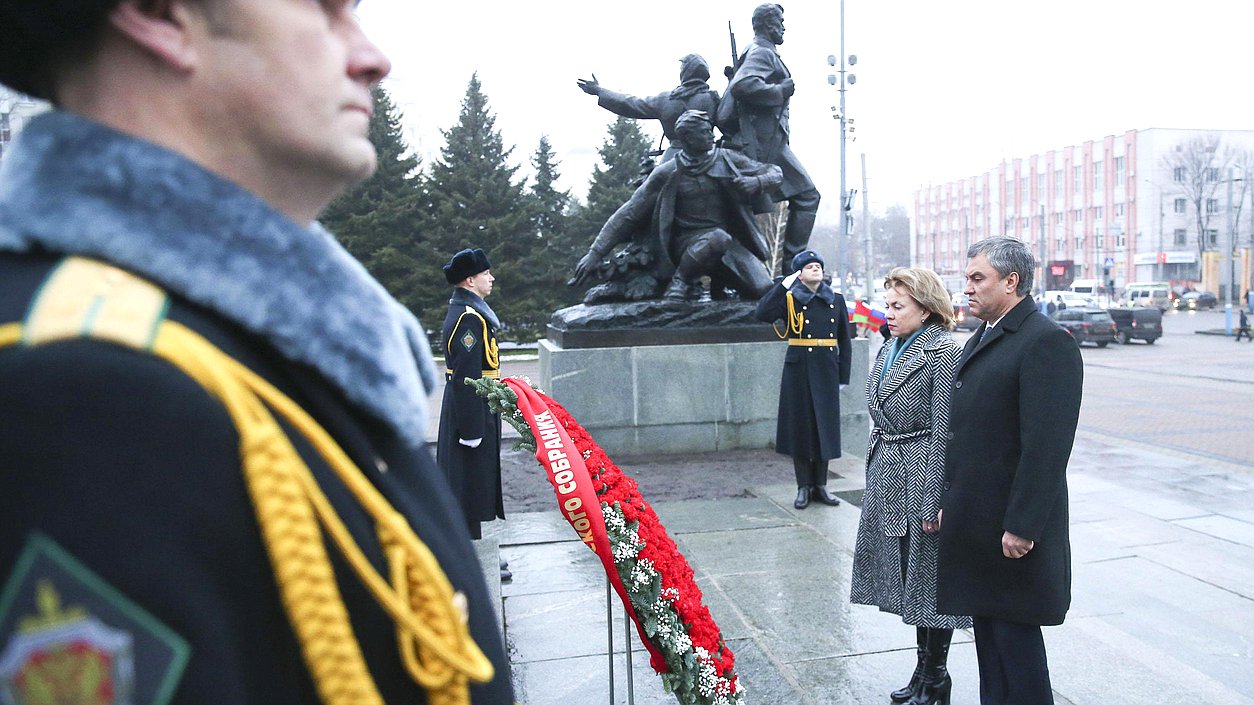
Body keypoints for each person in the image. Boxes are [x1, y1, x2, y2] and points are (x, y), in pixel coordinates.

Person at [0, 2, 513, 703]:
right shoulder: (77, 383)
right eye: (327, 11)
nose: (372, 58)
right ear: (159, 15)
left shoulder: (255, 337)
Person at [937, 237, 1083, 705]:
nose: (968, 288)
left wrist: (1022, 526)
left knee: (1017, 651)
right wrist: (947, 503)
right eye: (967, 279)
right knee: (992, 647)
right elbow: (970, 435)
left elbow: (1046, 448)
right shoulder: (987, 334)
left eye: (978, 278)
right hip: (979, 521)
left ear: (1011, 282)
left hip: (1010, 529)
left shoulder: (1045, 342)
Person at [850, 268, 971, 705]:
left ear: (925, 307)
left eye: (898, 306)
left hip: (921, 470)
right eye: (888, 304)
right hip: (888, 469)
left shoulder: (941, 351)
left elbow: (945, 429)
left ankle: (937, 677)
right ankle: (922, 672)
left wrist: (936, 495)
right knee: (908, 581)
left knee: (928, 580)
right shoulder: (890, 346)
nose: (889, 313)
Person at [571, 109, 780, 302]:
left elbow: (775, 172)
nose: (712, 135)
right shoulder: (667, 172)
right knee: (717, 237)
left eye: (711, 130)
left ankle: (720, 281)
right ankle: (679, 282)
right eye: (706, 132)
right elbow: (629, 213)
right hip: (684, 245)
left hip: (725, 246)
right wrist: (595, 253)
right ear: (688, 138)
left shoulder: (727, 159)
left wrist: (758, 182)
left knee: (762, 289)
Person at [719, 3, 821, 265]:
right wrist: (780, 90)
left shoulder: (755, 51)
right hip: (765, 143)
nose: (784, 27)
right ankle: (792, 265)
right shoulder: (762, 52)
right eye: (780, 22)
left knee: (739, 211)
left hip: (764, 139)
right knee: (808, 195)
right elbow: (744, 85)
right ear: (767, 24)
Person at [755, 250, 852, 509]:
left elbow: (845, 340)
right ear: (799, 273)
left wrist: (844, 376)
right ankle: (803, 487)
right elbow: (762, 313)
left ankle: (821, 485)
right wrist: (784, 285)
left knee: (826, 429)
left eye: (818, 266)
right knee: (800, 429)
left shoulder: (837, 300)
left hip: (827, 369)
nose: (815, 269)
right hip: (798, 370)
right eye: (809, 267)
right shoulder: (789, 298)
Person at [437, 249, 508, 574]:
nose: (491, 278)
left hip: (477, 406)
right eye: (486, 273)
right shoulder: (468, 317)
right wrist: (471, 430)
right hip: (470, 410)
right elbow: (467, 376)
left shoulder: (471, 312)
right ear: (470, 279)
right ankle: (470, 558)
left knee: (471, 484)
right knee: (465, 485)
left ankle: (477, 550)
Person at [576, 54, 720, 162]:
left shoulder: (666, 99)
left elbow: (630, 103)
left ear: (685, 72)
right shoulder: (713, 99)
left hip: (673, 158)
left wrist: (599, 91)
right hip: (709, 158)